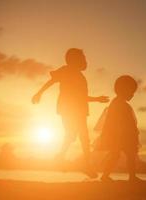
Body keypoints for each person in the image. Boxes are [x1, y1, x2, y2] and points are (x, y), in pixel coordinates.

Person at [31, 48, 109, 178]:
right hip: (68, 108)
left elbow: (82, 97)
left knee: (81, 137)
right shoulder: (66, 70)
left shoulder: (81, 77)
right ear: (75, 60)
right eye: (83, 59)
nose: (85, 61)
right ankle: (64, 158)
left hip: (80, 109)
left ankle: (82, 164)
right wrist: (39, 93)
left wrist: (97, 99)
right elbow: (51, 81)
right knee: (74, 135)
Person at [96, 75, 141, 182]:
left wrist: (133, 132)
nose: (132, 95)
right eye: (131, 92)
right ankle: (106, 175)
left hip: (126, 135)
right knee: (116, 155)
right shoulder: (117, 104)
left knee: (129, 155)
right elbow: (113, 122)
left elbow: (129, 121)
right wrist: (117, 136)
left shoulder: (122, 104)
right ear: (123, 90)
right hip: (119, 136)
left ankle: (131, 176)